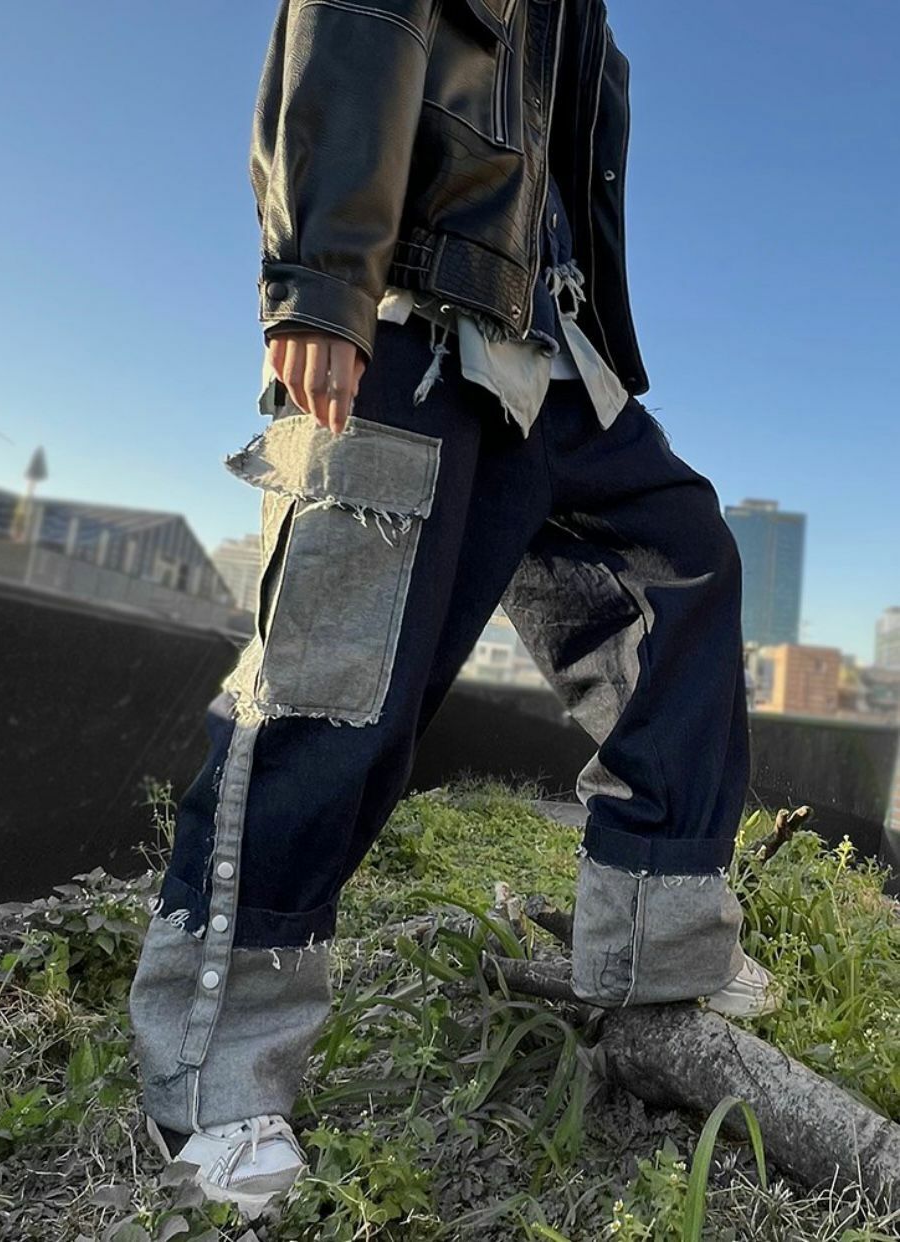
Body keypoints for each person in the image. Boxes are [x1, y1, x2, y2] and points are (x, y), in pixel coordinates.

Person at [129, 0, 780, 1214]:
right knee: (340, 690)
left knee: (687, 564)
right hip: (413, 319)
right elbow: (349, 26)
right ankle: (214, 1070)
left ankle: (659, 944)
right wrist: (324, 281)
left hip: (552, 344)